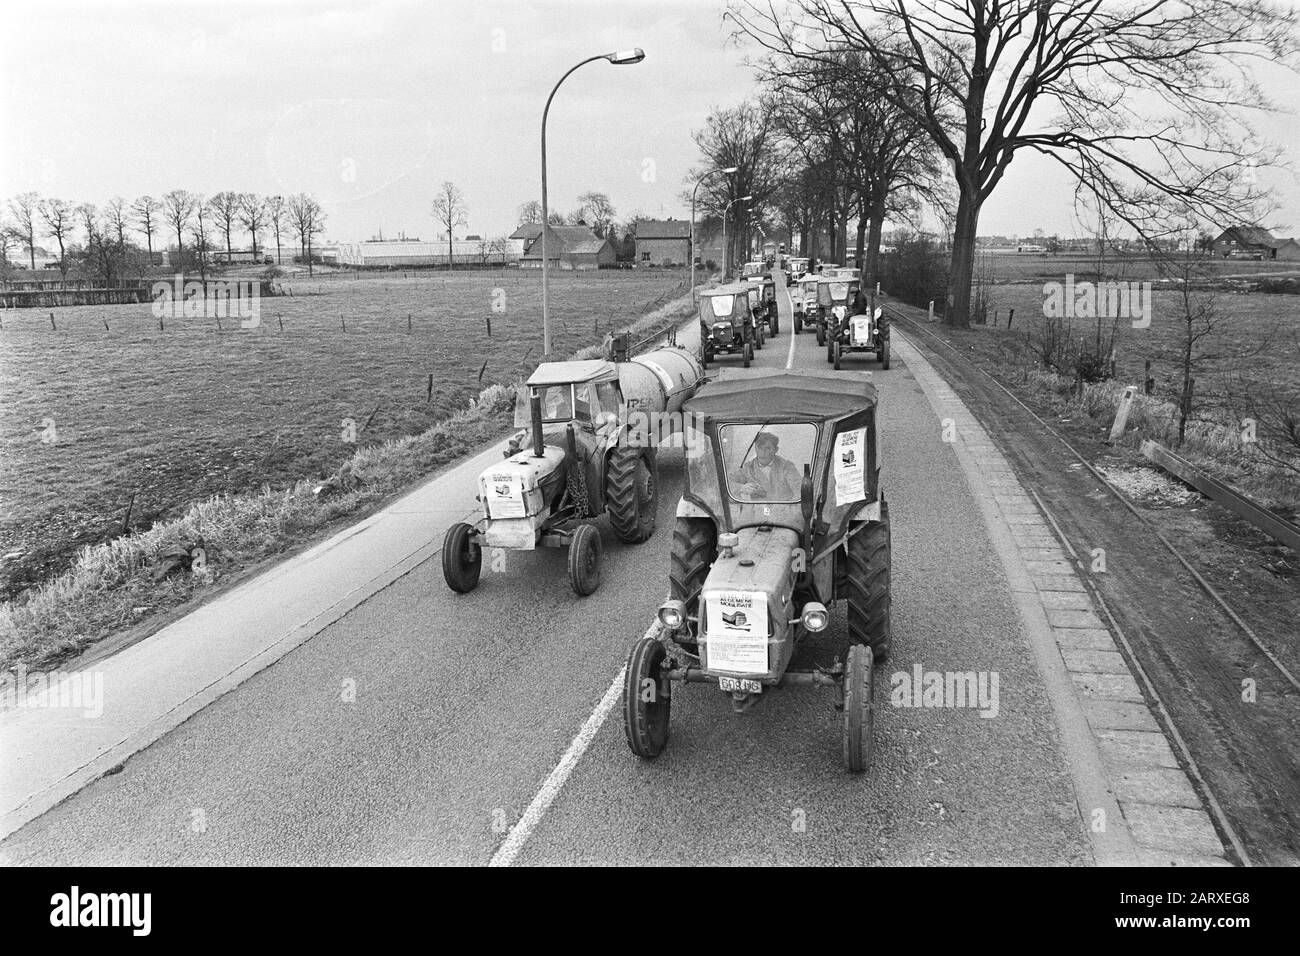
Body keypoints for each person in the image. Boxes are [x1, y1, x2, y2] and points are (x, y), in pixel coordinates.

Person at [733, 431, 802, 501]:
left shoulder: (787, 467)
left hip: (783, 510)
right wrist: (741, 488)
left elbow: (800, 492)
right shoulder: (747, 468)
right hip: (757, 511)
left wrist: (789, 508)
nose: (762, 452)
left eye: (767, 448)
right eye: (759, 447)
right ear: (755, 448)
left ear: (776, 450)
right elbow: (726, 484)